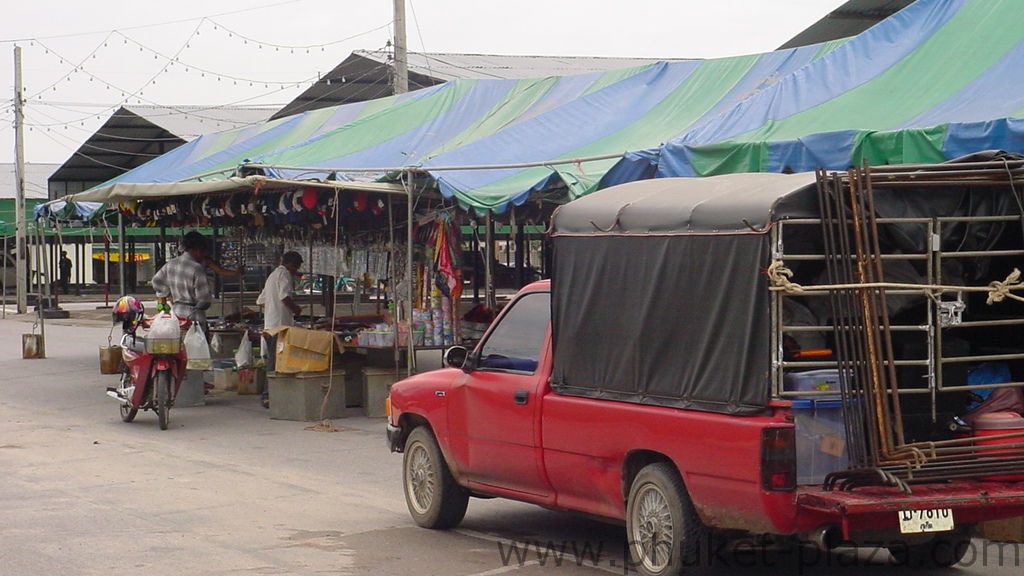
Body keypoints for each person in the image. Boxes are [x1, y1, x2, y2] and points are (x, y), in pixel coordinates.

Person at [256, 251, 303, 408]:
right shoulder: (284, 274)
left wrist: (272, 309)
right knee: (275, 362)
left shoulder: (272, 276)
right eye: (296, 268)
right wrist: (295, 309)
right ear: (291, 265)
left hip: (270, 325)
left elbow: (261, 300)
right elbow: (284, 296)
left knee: (273, 360)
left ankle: (273, 393)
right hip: (279, 326)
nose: (296, 272)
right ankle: (268, 395)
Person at [151, 231, 213, 331]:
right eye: (203, 252)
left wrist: (167, 293)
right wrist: (200, 306)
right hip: (194, 318)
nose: (203, 256)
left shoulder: (170, 264)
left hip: (176, 314)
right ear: (197, 249)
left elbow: (156, 282)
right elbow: (204, 300)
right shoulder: (197, 268)